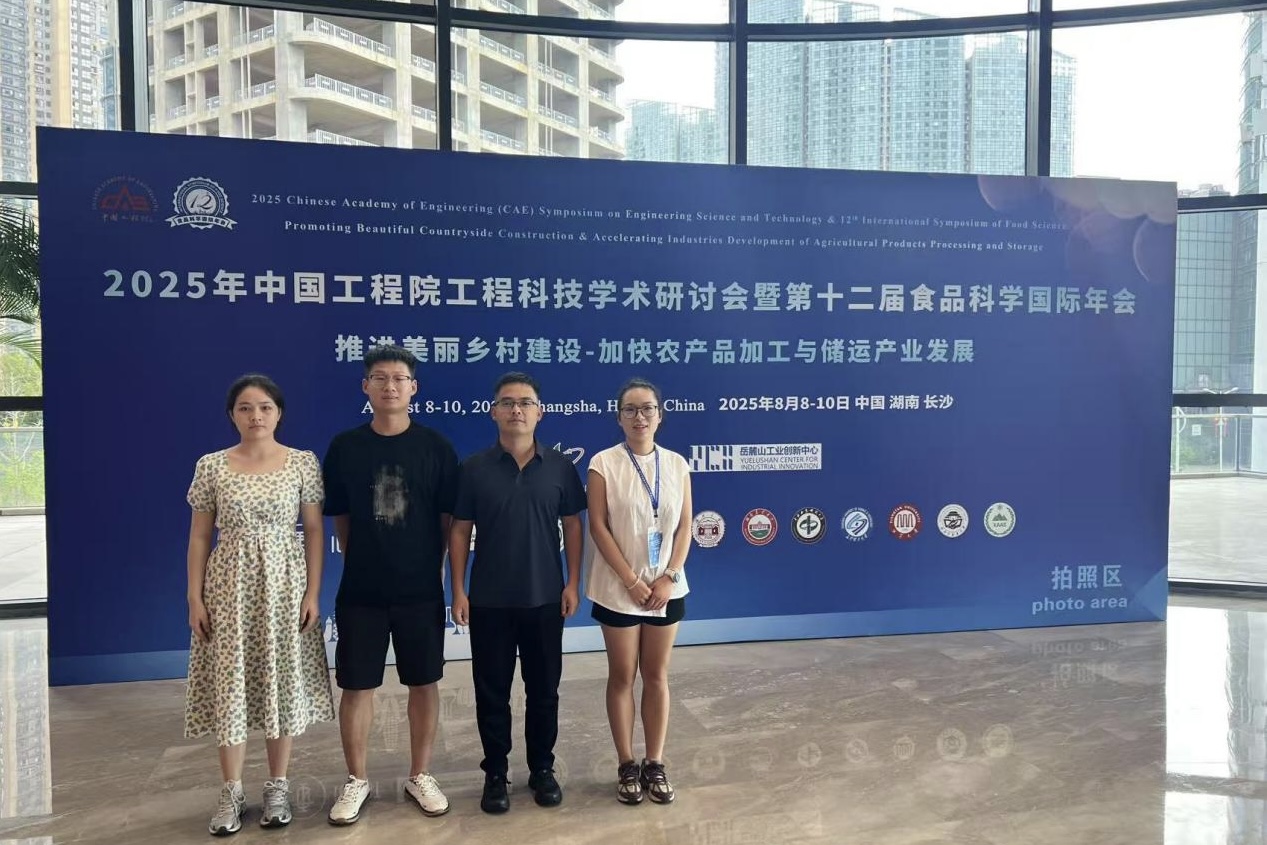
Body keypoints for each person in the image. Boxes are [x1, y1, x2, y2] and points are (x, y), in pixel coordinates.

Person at [185, 373, 335, 836]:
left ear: (279, 413)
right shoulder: (212, 465)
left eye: (265, 407)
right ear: (232, 415)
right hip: (228, 588)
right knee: (230, 682)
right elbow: (200, 536)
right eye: (246, 408)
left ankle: (277, 786)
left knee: (279, 681)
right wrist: (194, 596)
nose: (256, 416)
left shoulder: (302, 463)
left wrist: (313, 592)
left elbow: (314, 530)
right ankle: (231, 790)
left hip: (285, 585)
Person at [321, 345, 459, 825]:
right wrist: (362, 558)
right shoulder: (345, 447)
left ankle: (420, 774)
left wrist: (434, 569)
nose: (390, 386)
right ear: (366, 386)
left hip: (420, 590)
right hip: (361, 590)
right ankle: (356, 779)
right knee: (356, 686)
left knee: (424, 681)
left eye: (399, 378)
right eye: (379, 377)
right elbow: (340, 517)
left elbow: (447, 520)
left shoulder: (436, 447)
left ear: (413, 387)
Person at [448, 372, 586, 814]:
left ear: (539, 412)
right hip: (489, 600)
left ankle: (542, 768)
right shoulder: (474, 468)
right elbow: (459, 531)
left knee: (544, 690)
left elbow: (574, 526)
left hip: (545, 598)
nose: (516, 410)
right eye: (507, 402)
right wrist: (458, 589)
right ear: (494, 412)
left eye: (525, 402)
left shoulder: (560, 467)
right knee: (492, 692)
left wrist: (572, 582)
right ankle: (495, 773)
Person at [584, 377, 692, 805]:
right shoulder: (603, 463)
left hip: (667, 588)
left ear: (660, 415)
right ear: (619, 418)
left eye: (647, 408)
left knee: (657, 676)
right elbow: (598, 526)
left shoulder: (677, 464)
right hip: (618, 589)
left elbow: (685, 526)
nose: (639, 416)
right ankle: (627, 763)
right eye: (630, 409)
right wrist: (631, 580)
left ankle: (655, 761)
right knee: (622, 677)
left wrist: (670, 575)